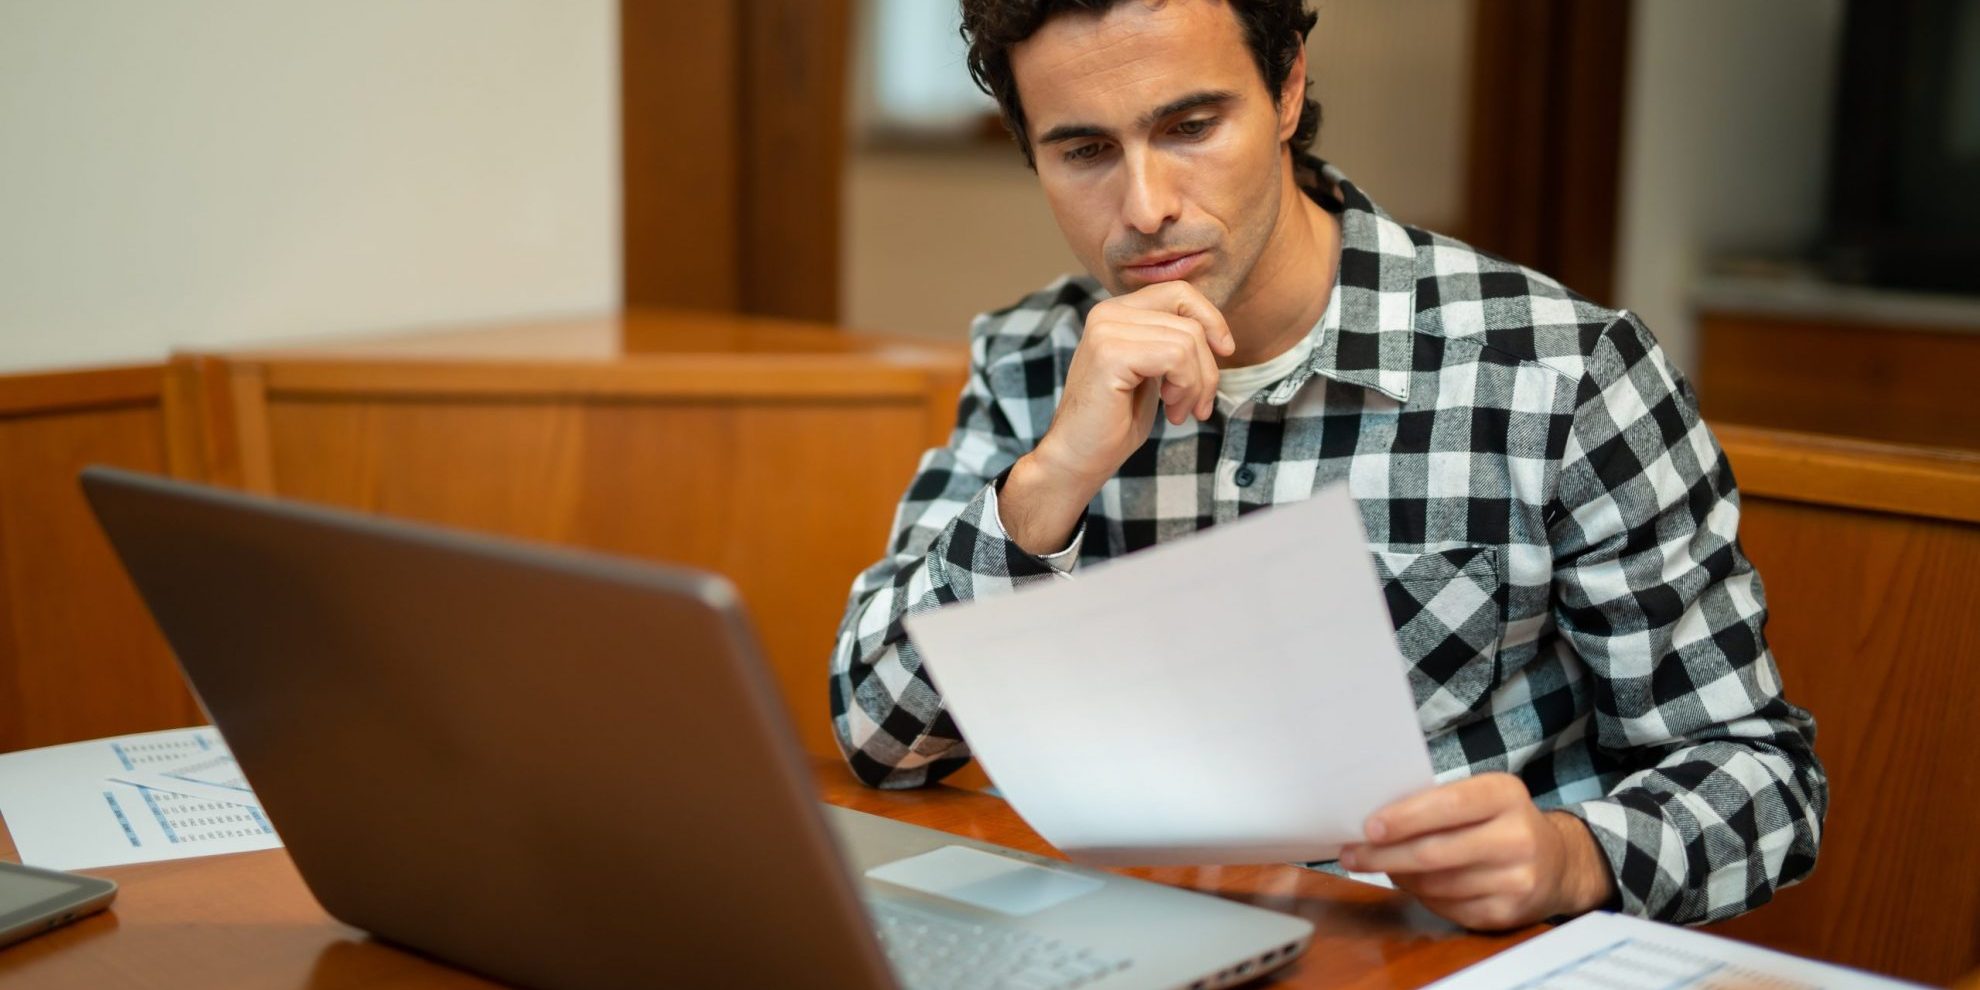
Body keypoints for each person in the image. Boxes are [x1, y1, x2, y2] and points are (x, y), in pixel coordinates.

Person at [829, 0, 1825, 931]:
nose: (1145, 206)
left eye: (1190, 127)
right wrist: (1053, 479)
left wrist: (1571, 858)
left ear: (1289, 88)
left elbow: (1764, 780)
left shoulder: (1561, 374)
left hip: (1432, 956)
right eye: (1084, 149)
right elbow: (881, 738)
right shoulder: (1032, 360)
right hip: (1116, 939)